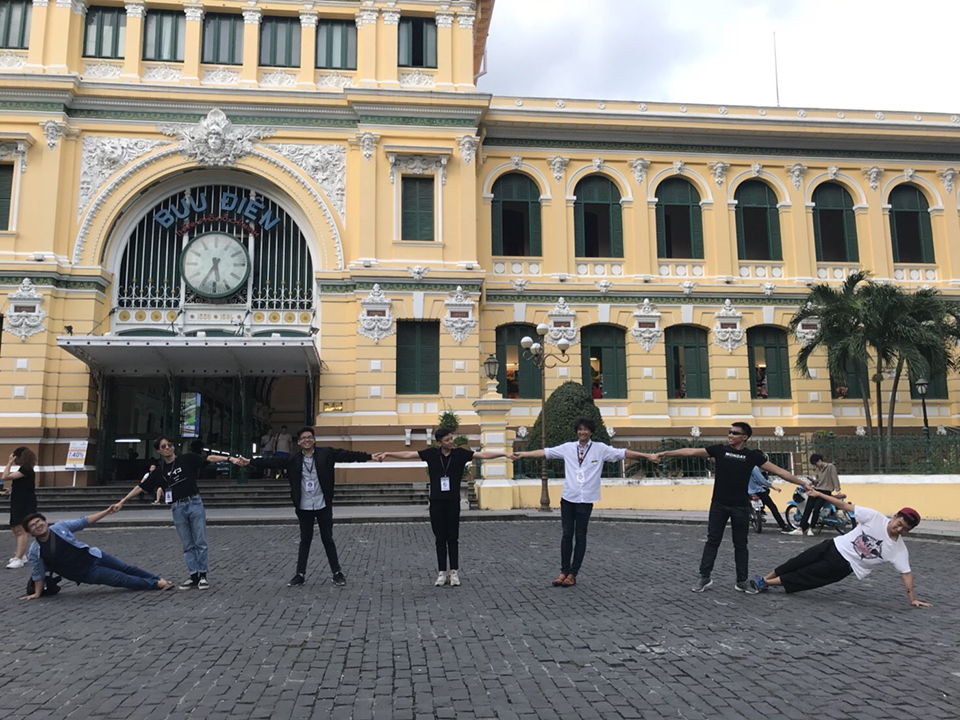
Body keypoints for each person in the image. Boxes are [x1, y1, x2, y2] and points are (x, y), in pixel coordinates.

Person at [654, 422, 812, 594]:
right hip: (719, 505)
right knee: (712, 541)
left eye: (735, 433)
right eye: (729, 432)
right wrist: (665, 453)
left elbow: (780, 471)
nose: (730, 435)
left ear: (744, 437)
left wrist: (803, 483)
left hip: (741, 507)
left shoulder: (752, 456)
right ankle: (704, 577)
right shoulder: (719, 450)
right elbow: (690, 451)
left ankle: (741, 581)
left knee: (741, 545)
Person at [512, 418, 658, 587]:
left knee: (580, 536)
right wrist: (523, 454)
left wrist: (647, 456)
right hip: (568, 497)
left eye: (586, 429)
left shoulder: (600, 449)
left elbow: (623, 453)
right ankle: (563, 571)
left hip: (586, 499)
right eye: (580, 429)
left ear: (591, 432)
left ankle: (573, 574)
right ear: (577, 431)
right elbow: (546, 452)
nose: (582, 432)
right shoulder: (568, 448)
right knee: (567, 534)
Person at [240, 426, 372, 588]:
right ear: (299, 442)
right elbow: (272, 462)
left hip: (322, 504)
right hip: (304, 505)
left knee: (328, 539)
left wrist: (370, 457)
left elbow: (348, 455)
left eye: (309, 437)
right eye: (303, 438)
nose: (306, 440)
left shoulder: (326, 453)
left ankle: (337, 572)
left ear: (314, 440)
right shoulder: (293, 458)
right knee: (305, 540)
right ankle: (300, 574)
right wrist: (250, 461)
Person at [374, 429, 509, 587]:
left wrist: (504, 454)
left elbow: (482, 455)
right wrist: (388, 453)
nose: (451, 442)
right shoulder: (432, 454)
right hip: (436, 501)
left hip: (452, 501)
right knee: (439, 538)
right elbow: (409, 454)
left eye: (451, 438)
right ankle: (442, 572)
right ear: (439, 442)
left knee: (453, 537)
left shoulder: (460, 454)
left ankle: (454, 572)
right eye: (447, 440)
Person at [751, 490, 931, 608]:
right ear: (896, 516)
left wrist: (913, 599)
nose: (899, 529)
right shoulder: (874, 517)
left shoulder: (898, 549)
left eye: (904, 529)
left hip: (844, 565)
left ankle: (764, 583)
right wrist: (819, 495)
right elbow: (844, 506)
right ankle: (766, 578)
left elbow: (906, 574)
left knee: (806, 576)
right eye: (899, 524)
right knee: (797, 561)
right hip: (833, 545)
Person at [114, 436, 241, 590]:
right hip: (177, 507)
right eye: (163, 446)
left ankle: (203, 575)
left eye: (169, 445)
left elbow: (208, 458)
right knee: (187, 543)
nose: (167, 448)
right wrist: (123, 501)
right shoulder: (159, 471)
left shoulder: (187, 459)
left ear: (174, 447)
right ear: (159, 451)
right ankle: (193, 576)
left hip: (194, 502)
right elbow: (141, 487)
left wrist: (230, 459)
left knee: (200, 541)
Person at [20, 507, 173, 599]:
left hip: (94, 555)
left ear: (45, 521)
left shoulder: (59, 527)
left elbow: (83, 521)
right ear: (30, 533)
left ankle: (158, 579)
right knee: (122, 579)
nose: (38, 525)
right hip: (86, 572)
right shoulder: (35, 550)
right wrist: (37, 593)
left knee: (127, 568)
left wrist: (107, 512)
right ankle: (156, 584)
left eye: (39, 521)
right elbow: (38, 572)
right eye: (33, 526)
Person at [788, 453, 841, 536]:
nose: (816, 466)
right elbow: (818, 481)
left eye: (816, 464)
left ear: (819, 460)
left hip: (826, 491)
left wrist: (838, 490)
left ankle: (811, 528)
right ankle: (800, 528)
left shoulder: (830, 467)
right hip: (816, 490)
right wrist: (812, 481)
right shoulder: (817, 470)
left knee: (816, 509)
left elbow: (835, 478)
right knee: (808, 508)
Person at [3, 447, 38, 569]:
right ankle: (21, 555)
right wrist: (10, 490)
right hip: (19, 501)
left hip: (24, 504)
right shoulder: (25, 470)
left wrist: (9, 463)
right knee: (15, 528)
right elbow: (22, 485)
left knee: (20, 529)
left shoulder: (26, 469)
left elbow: (5, 476)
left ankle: (18, 558)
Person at [748, 466, 787, 532]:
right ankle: (783, 526)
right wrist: (773, 487)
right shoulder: (754, 468)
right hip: (759, 491)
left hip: (748, 492)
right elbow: (762, 480)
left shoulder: (743, 467)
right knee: (773, 507)